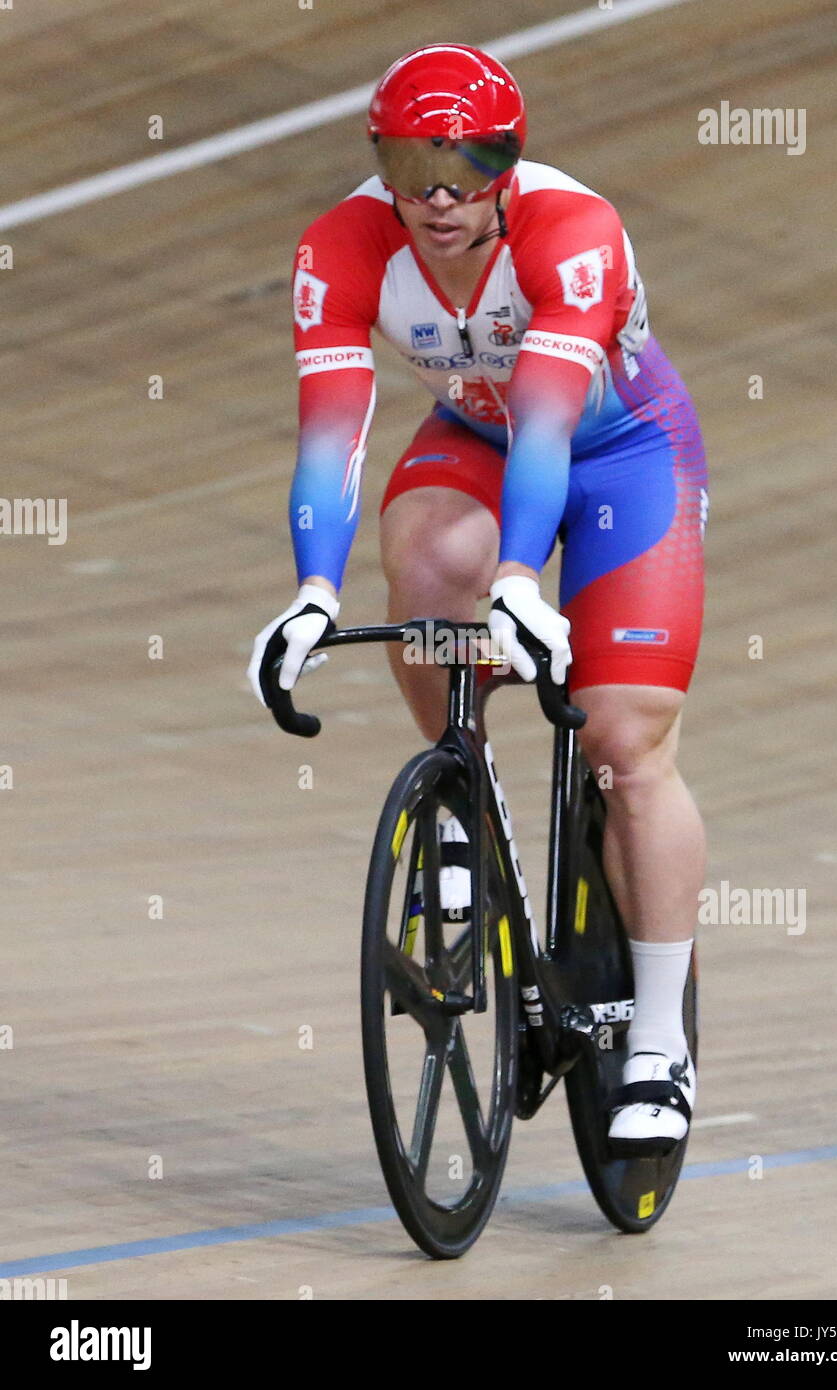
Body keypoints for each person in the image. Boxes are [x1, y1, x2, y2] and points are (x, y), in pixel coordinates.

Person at [248, 43, 708, 1153]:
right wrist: (312, 591)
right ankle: (464, 799)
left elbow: (549, 422)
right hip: (472, 436)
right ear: (381, 164)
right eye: (416, 167)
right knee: (420, 566)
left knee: (623, 740)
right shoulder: (340, 247)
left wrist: (520, 580)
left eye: (471, 165)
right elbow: (331, 434)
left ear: (511, 163)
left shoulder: (574, 233)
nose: (441, 197)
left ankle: (658, 1037)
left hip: (620, 451)